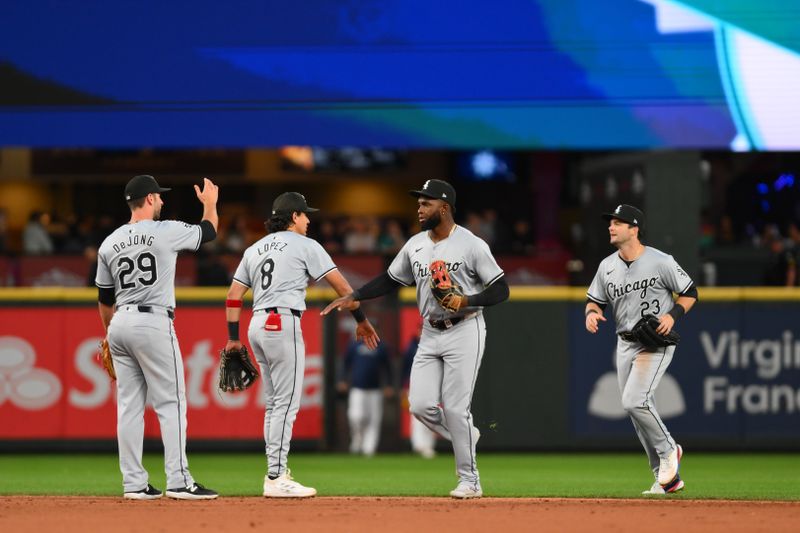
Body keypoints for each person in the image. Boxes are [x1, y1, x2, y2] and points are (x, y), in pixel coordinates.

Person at [323, 179, 509, 499]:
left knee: (454, 407)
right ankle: (466, 433)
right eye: (419, 203)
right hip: (430, 331)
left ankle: (470, 481)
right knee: (420, 406)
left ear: (445, 207)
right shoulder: (415, 244)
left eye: (427, 203)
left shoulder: (472, 244)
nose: (419, 208)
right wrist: (355, 295)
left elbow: (501, 289)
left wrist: (466, 300)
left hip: (465, 328)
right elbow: (390, 280)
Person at [223, 191, 379, 498]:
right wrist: (361, 318)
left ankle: (274, 471)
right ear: (293, 216)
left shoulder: (254, 249)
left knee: (274, 403)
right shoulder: (306, 245)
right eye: (305, 214)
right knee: (286, 404)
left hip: (256, 325)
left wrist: (231, 337)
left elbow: (232, 295)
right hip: (282, 323)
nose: (308, 219)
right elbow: (344, 288)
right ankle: (276, 476)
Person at [95, 174, 220, 500]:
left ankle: (134, 484)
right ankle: (179, 481)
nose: (162, 200)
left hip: (120, 321)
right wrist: (210, 205)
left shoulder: (109, 242)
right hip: (153, 321)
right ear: (149, 198)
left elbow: (105, 300)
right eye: (159, 196)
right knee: (171, 402)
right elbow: (209, 232)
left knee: (129, 408)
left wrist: (109, 335)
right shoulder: (166, 230)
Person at [584, 204, 697, 495]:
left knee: (634, 401)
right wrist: (591, 313)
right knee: (637, 412)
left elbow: (690, 292)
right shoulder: (606, 266)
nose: (611, 226)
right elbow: (594, 300)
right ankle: (665, 478)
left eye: (618, 223)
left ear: (634, 229)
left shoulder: (660, 261)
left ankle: (670, 450)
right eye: (610, 222)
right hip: (625, 342)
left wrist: (672, 315)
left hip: (654, 342)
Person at [337, 328, 393, 457]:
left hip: (375, 389)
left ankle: (369, 448)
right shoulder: (354, 345)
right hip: (357, 388)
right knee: (356, 416)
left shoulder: (381, 346)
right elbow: (345, 363)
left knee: (374, 420)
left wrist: (389, 385)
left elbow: (388, 367)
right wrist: (342, 379)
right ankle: (357, 439)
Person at [401, 328, 437, 459]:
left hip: (432, 384)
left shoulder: (435, 344)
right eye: (420, 330)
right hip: (414, 385)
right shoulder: (411, 347)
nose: (421, 332)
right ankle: (418, 445)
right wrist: (404, 387)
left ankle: (428, 445)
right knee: (416, 414)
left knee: (431, 415)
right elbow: (404, 368)